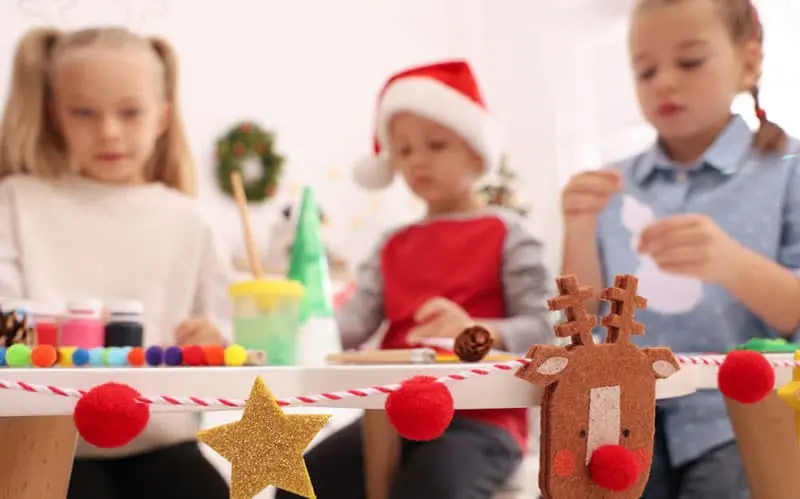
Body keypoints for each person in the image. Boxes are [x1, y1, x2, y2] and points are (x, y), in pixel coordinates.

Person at [275, 60, 553, 499]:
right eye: (403, 151)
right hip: (390, 414)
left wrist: (478, 331)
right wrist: (295, 322)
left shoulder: (509, 233)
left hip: (482, 419)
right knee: (301, 482)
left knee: (432, 487)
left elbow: (544, 328)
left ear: (477, 152)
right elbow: (350, 324)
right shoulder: (392, 244)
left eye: (436, 145)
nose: (417, 161)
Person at [560, 0, 800, 497]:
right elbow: (582, 317)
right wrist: (578, 229)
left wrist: (733, 265)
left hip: (740, 417)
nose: (664, 82)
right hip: (622, 415)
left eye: (689, 62)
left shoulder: (788, 170)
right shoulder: (611, 184)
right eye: (645, 71)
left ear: (749, 63)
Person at [0, 27, 232, 499]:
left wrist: (213, 340)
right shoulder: (17, 202)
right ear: (55, 116)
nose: (108, 131)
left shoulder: (189, 220)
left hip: (161, 440)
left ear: (162, 116)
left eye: (130, 112)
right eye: (84, 112)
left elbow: (225, 334)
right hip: (45, 439)